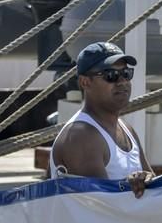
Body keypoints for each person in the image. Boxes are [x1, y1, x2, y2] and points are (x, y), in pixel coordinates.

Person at [50, 42, 154, 197]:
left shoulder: (126, 129)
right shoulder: (81, 136)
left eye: (126, 73)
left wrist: (147, 179)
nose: (122, 82)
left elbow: (152, 183)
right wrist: (131, 186)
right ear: (85, 82)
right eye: (110, 75)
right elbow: (103, 205)